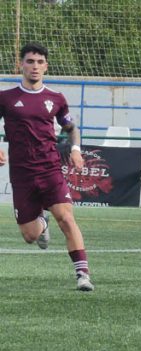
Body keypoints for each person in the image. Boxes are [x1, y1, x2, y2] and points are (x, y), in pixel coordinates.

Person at [0, 42, 93, 291]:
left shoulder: (56, 99)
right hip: (21, 175)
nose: (35, 66)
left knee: (66, 217)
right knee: (30, 236)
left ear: (46, 66)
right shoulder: (5, 98)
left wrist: (75, 150)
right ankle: (42, 223)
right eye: (30, 61)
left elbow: (71, 129)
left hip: (50, 169)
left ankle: (83, 274)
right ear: (21, 64)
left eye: (40, 62)